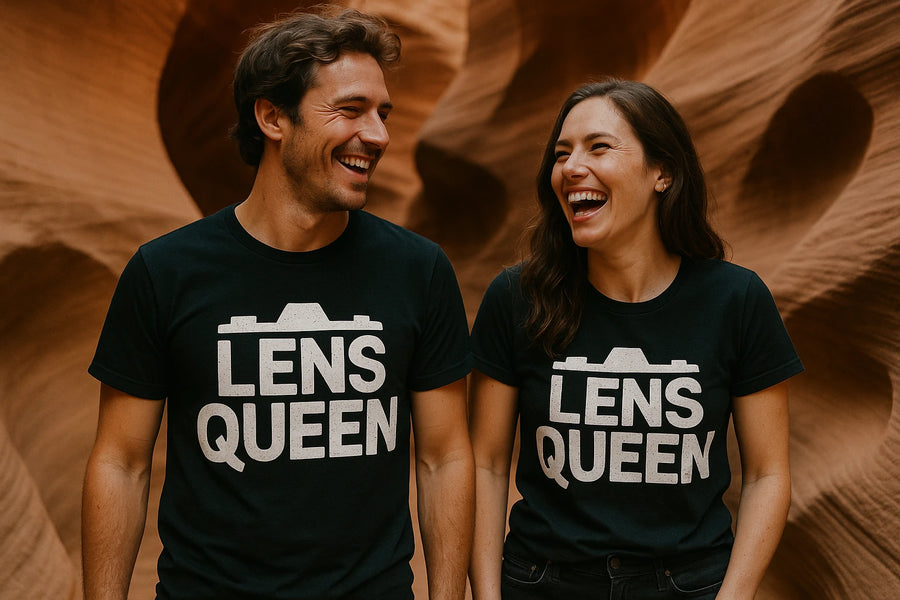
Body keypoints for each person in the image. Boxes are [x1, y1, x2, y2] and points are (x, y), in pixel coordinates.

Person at [82, 7, 474, 600]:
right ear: (272, 117)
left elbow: (444, 458)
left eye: (383, 113)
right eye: (350, 110)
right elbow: (121, 462)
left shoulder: (418, 271)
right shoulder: (166, 272)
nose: (379, 134)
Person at [468, 79, 803, 600]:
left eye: (598, 147)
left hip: (689, 584)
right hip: (543, 581)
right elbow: (486, 465)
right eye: (561, 153)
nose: (571, 167)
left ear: (662, 172)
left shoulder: (735, 300)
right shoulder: (516, 297)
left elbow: (767, 473)